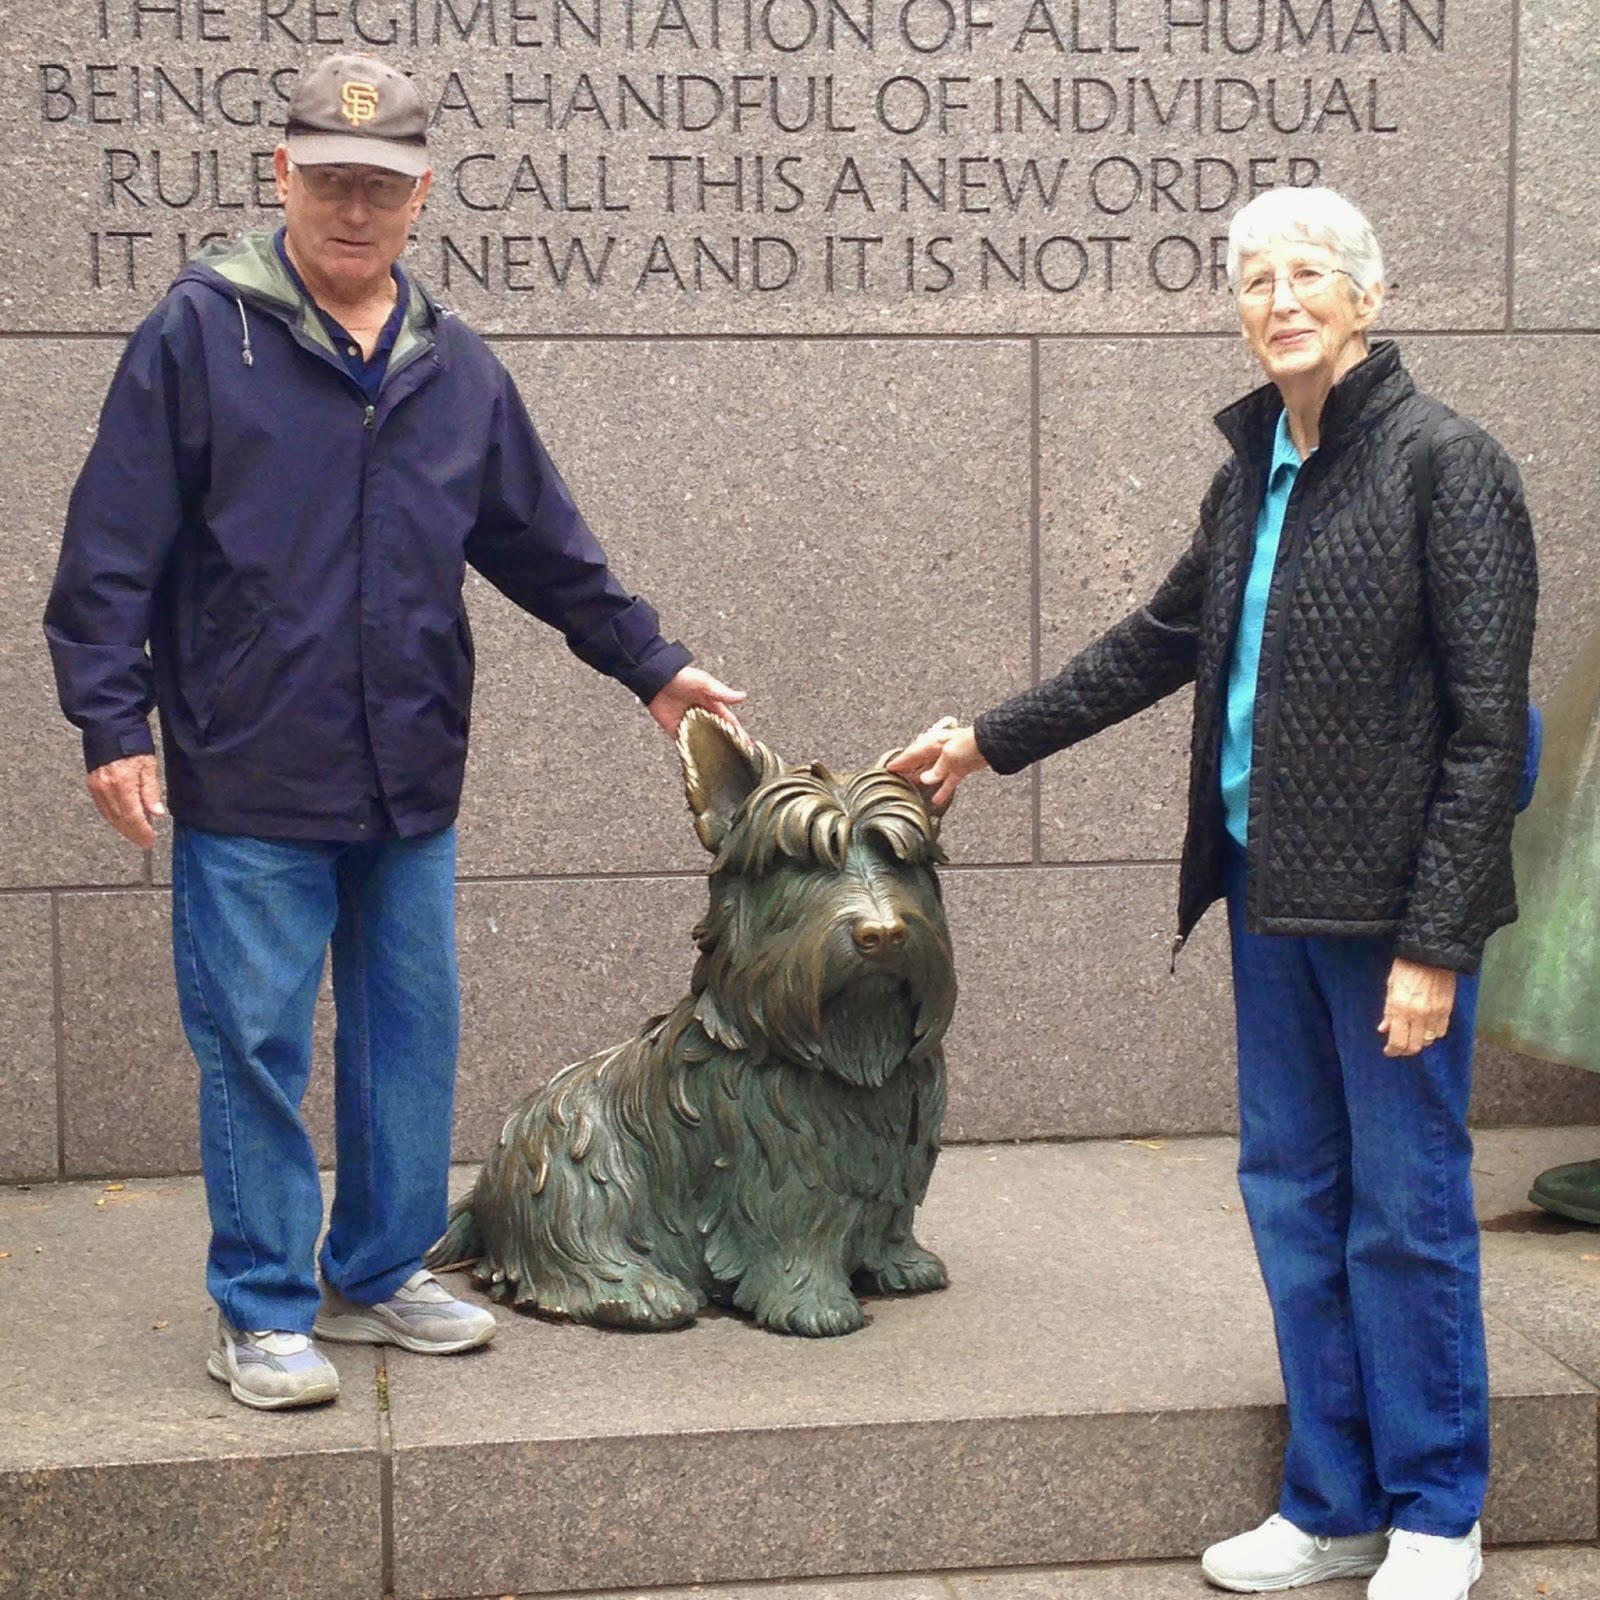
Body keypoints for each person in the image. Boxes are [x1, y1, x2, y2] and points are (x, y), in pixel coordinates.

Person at [43, 53, 745, 1413]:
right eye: (330, 181)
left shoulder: (452, 365)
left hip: (409, 770)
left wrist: (653, 668)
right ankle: (260, 1308)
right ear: (283, 177)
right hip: (251, 768)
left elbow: (543, 543)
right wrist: (111, 722)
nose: (354, 209)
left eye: (381, 186)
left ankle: (373, 1271)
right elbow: (109, 550)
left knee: (408, 1038)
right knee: (254, 1046)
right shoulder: (200, 334)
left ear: (422, 196)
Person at [889, 186, 1536, 1600]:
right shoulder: (1252, 474)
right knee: (1295, 1197)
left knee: (1405, 1209)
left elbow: (1491, 732)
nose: (1280, 300)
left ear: (1366, 297)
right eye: (1255, 279)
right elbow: (1159, 640)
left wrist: (1437, 942)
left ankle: (1439, 1513)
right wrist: (988, 740)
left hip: (1389, 919)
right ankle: (1333, 1503)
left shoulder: (1448, 465)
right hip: (1265, 891)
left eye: (1308, 274)